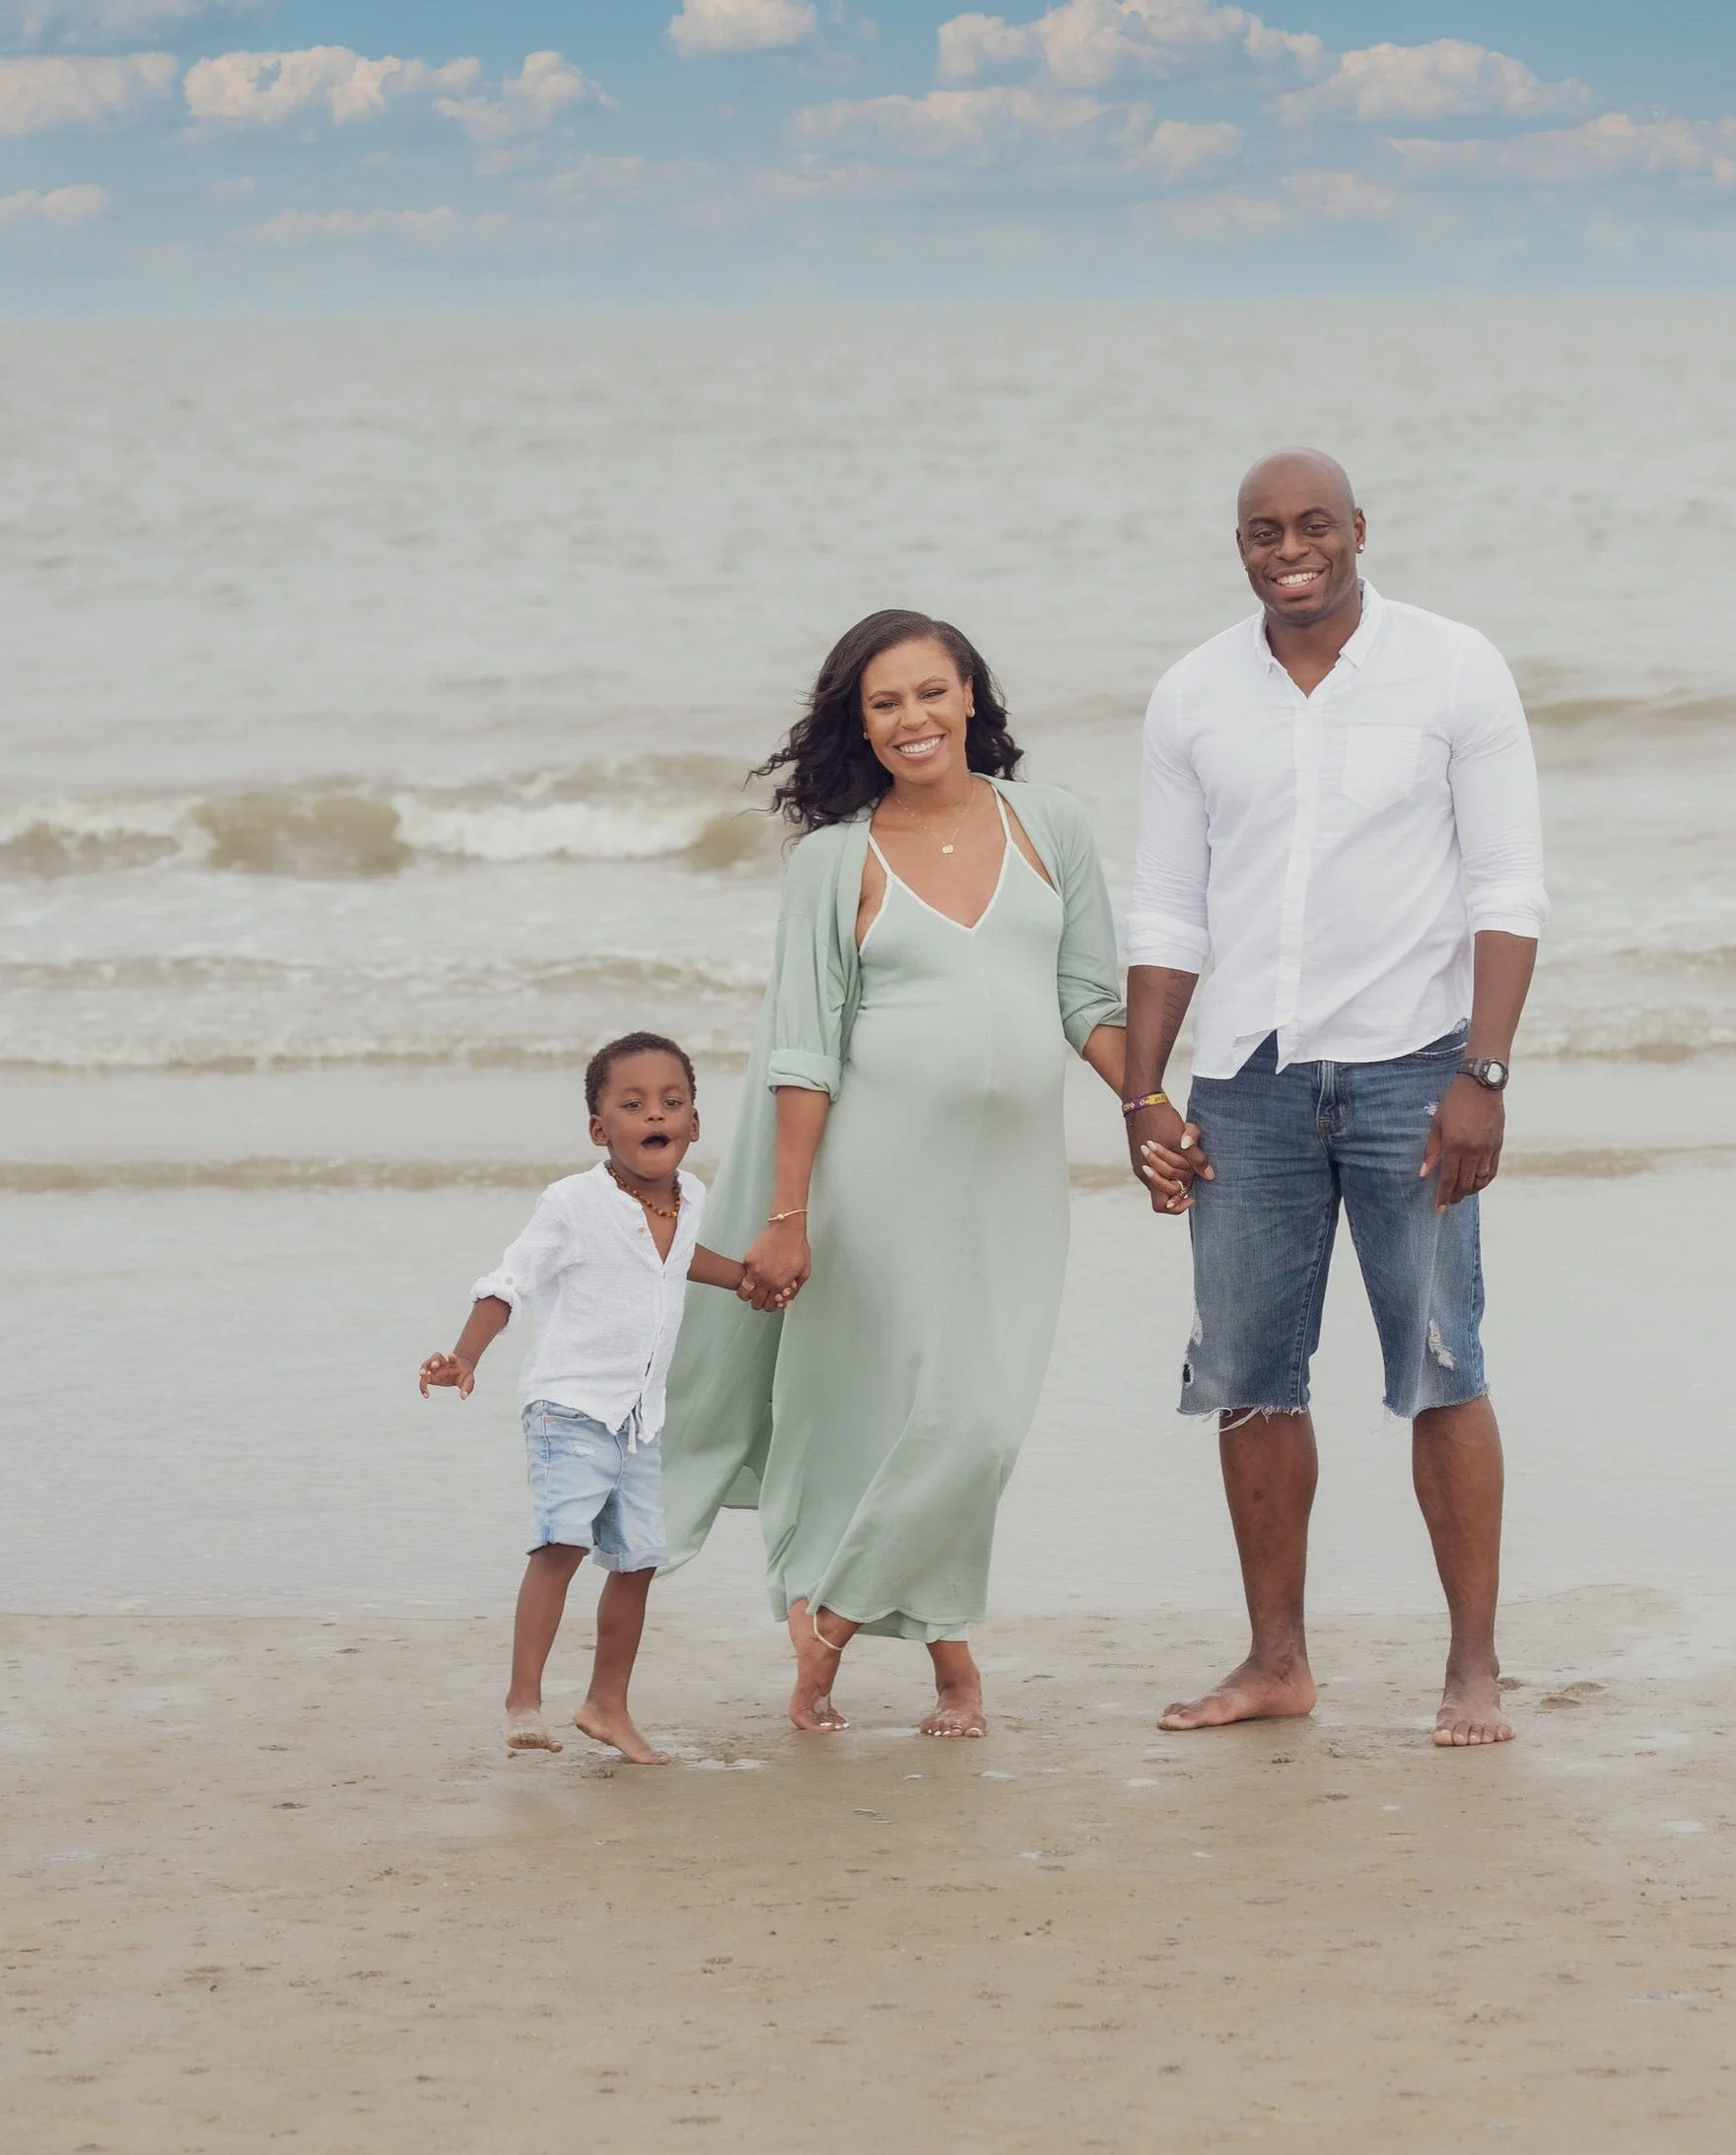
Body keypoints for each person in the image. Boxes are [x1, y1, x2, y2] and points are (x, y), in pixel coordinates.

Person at [657, 609, 1195, 1740]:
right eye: (885, 702)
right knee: (875, 1414)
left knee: (978, 1422)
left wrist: (1146, 1105)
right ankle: (949, 1663)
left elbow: (1088, 1002)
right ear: (861, 724)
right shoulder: (833, 861)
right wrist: (789, 1215)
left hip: (1009, 1184)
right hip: (870, 1183)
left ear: (971, 698)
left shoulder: (1051, 825)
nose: (914, 719)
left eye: (931, 693)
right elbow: (804, 1051)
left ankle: (833, 1620)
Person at [1123, 452, 1545, 1749]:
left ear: (1358, 531)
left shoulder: (1453, 669)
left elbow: (1505, 889)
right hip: (1242, 1084)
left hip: (1414, 1071)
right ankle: (1274, 1663)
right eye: (1261, 531)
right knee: (1247, 1378)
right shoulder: (1192, 694)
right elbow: (1167, 909)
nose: (1286, 549)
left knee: (1438, 1368)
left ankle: (1469, 1668)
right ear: (1237, 544)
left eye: (1311, 526)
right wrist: (1140, 1090)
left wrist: (1479, 1075)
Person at [418, 1031, 770, 1762]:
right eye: (633, 1103)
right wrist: (464, 1354)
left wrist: (743, 1278)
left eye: (672, 1102)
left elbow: (675, 1261)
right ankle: (522, 1700)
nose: (655, 1115)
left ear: (695, 1124)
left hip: (639, 1417)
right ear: (598, 1128)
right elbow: (511, 1280)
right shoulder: (572, 1203)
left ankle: (607, 1704)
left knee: (639, 1560)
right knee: (561, 1542)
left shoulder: (691, 1198)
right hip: (568, 1406)